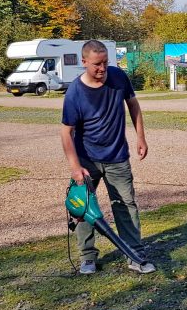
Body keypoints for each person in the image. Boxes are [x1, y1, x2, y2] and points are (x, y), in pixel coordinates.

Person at [60, 40, 155, 274]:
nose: (102, 69)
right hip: (87, 160)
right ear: (84, 63)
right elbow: (66, 132)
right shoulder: (74, 93)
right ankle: (88, 257)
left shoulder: (118, 77)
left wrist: (140, 137)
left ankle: (134, 254)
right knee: (83, 208)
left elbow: (133, 105)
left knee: (126, 204)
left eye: (105, 63)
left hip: (117, 156)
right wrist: (75, 167)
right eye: (96, 65)